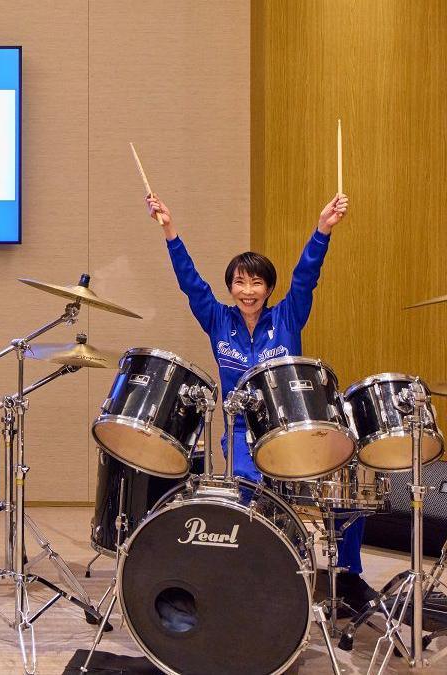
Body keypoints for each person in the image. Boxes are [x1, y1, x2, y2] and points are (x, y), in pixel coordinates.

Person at [148, 191, 378, 614]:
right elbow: (189, 282)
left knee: (345, 489)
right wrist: (169, 230)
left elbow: (307, 275)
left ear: (268, 287)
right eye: (239, 282)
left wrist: (323, 229)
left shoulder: (288, 317)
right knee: (250, 496)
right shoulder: (217, 319)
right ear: (231, 288)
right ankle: (253, 576)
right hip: (241, 434)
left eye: (256, 282)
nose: (247, 290)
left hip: (294, 428)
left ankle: (346, 576)